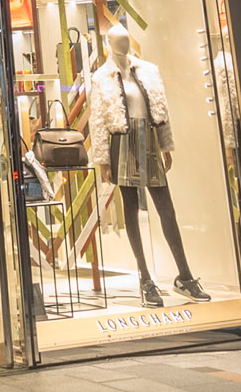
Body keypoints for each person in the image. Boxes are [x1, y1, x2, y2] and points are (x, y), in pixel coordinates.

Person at [84, 20, 208, 307]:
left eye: (126, 39)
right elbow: (98, 120)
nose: (123, 44)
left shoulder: (148, 71)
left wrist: (166, 144)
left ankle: (185, 276)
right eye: (118, 40)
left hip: (149, 139)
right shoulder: (102, 77)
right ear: (109, 44)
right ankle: (146, 280)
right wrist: (103, 160)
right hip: (122, 142)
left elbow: (160, 110)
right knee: (131, 209)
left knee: (166, 208)